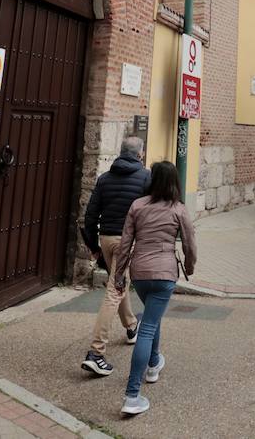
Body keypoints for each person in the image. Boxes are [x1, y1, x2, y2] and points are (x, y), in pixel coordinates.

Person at [115, 161, 197, 417]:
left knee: (151, 317)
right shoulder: (178, 209)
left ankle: (153, 364)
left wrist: (119, 275)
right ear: (174, 182)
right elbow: (190, 244)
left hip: (139, 272)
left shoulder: (137, 206)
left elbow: (125, 243)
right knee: (148, 327)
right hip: (164, 273)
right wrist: (190, 267)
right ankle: (132, 395)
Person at [79, 136, 150, 377]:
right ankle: (96, 353)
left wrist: (93, 245)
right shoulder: (145, 177)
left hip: (106, 240)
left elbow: (89, 216)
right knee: (114, 291)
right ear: (140, 154)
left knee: (118, 285)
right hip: (127, 242)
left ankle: (131, 326)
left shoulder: (104, 179)